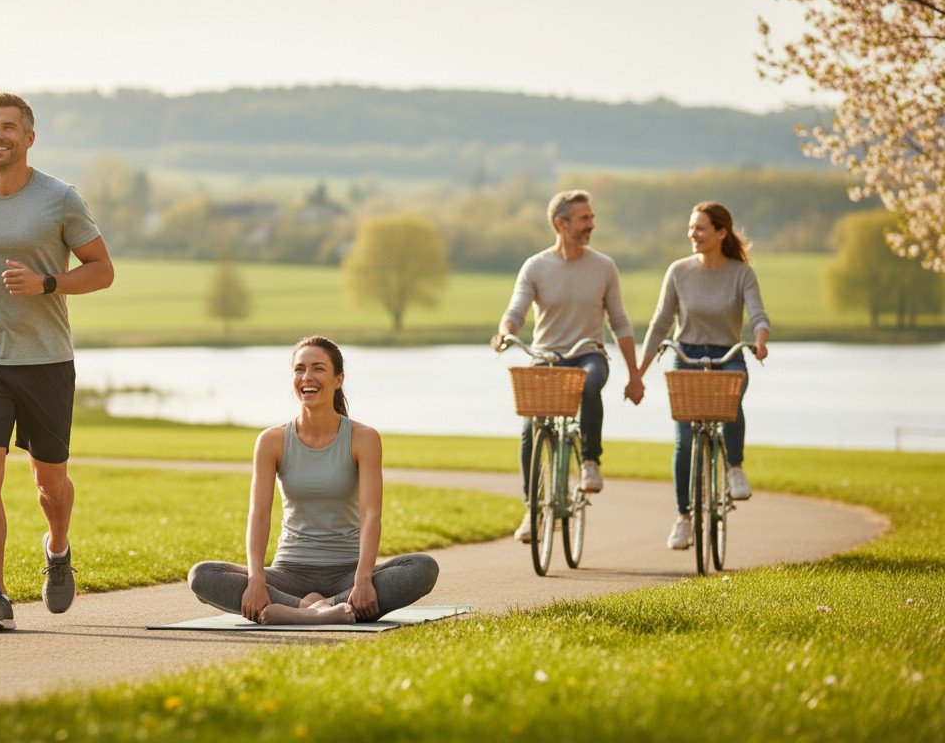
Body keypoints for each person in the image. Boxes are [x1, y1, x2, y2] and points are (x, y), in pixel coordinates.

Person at [0, 92, 115, 632]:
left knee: (49, 485)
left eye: (9, 127)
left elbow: (102, 269)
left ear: (29, 138)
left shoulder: (59, 199)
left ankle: (57, 550)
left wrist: (47, 283)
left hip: (46, 361)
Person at [188, 336, 439, 625]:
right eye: (299, 369)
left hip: (347, 572)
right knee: (203, 575)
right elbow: (259, 514)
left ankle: (300, 612)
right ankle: (323, 612)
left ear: (338, 379)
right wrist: (257, 580)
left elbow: (372, 514)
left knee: (422, 567)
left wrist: (363, 579)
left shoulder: (363, 438)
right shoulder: (272, 440)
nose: (307, 377)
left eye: (318, 369)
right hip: (288, 573)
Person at [492, 190, 644, 542]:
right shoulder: (536, 266)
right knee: (531, 429)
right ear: (561, 223)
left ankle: (590, 462)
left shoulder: (603, 266)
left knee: (589, 385)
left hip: (588, 353)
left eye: (592, 217)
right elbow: (516, 311)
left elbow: (620, 322)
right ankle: (533, 511)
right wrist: (505, 333)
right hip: (546, 357)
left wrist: (635, 375)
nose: (591, 224)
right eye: (584, 219)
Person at [638, 201, 770, 551]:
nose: (692, 235)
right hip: (687, 354)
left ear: (721, 232)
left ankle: (735, 467)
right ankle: (684, 518)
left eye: (700, 228)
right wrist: (640, 369)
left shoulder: (741, 273)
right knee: (684, 440)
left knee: (732, 399)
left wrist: (760, 341)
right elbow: (661, 321)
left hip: (727, 353)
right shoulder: (679, 271)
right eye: (690, 228)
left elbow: (757, 314)